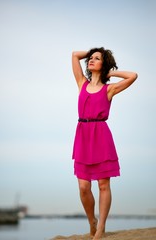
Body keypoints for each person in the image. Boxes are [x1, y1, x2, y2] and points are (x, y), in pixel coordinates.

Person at [71, 47, 137, 240]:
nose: (91, 60)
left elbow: (133, 76)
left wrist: (112, 72)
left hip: (101, 136)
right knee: (84, 187)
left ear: (103, 64)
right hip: (82, 135)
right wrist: (94, 50)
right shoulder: (81, 82)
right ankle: (91, 220)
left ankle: (101, 227)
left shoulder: (110, 89)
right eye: (90, 58)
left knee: (103, 185)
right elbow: (75, 55)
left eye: (96, 58)